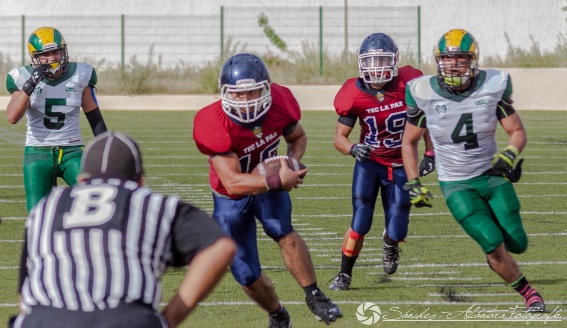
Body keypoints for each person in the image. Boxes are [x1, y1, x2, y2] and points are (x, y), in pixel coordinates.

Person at [10, 131, 236, 328]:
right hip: (126, 318)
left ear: (81, 179)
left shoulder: (47, 206)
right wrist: (170, 318)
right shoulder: (152, 203)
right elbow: (221, 247)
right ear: (139, 181)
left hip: (45, 320)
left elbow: (25, 293)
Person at [193, 53, 342, 327]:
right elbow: (233, 182)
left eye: (253, 92)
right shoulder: (213, 122)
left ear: (266, 88)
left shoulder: (281, 102)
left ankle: (315, 296)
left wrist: (291, 163)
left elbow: (297, 136)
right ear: (225, 93)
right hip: (231, 198)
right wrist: (277, 180)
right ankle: (277, 312)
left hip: (268, 186)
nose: (247, 100)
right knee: (245, 273)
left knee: (282, 230)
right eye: (239, 94)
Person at [401, 29, 545, 312]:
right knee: (492, 243)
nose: (453, 64)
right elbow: (409, 141)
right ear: (438, 61)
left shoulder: (493, 84)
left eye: (461, 58)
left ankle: (498, 259)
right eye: (447, 58)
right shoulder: (423, 92)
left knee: (517, 242)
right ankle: (530, 295)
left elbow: (516, 131)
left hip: (491, 175)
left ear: (473, 61)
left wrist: (509, 153)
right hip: (456, 183)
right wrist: (414, 182)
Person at [329, 33, 434, 291]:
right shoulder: (353, 93)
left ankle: (390, 243)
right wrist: (354, 149)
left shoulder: (410, 82)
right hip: (370, 164)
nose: (376, 67)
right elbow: (339, 137)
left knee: (398, 230)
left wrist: (430, 153)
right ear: (361, 63)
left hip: (402, 165)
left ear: (395, 60)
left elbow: (426, 120)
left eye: (383, 60)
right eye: (371, 61)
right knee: (360, 221)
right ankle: (344, 274)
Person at [6, 26, 108, 212]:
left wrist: (107, 148)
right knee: (37, 216)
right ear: (34, 57)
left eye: (55, 52)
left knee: (95, 202)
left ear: (64, 52)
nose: (51, 58)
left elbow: (94, 116)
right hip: (37, 151)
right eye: (44, 55)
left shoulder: (81, 74)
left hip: (72, 150)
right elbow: (12, 117)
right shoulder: (22, 77)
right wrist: (31, 84)